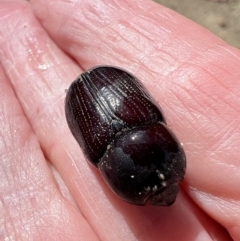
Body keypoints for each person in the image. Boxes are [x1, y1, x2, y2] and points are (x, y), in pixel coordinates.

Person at [0, 0, 239, 240]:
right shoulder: (134, 147)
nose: (167, 197)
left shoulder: (139, 149)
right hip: (103, 91)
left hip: (99, 97)